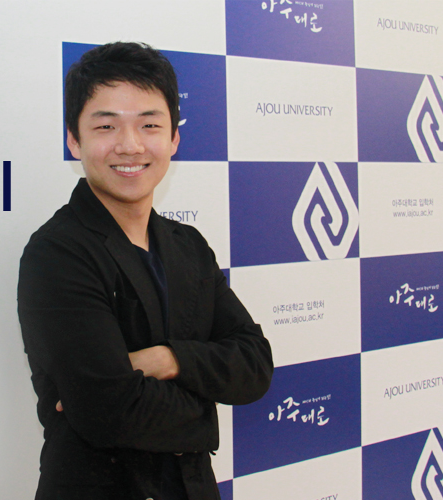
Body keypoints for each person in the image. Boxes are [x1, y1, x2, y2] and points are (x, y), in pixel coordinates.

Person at [17, 41, 273, 500]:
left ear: (174, 138)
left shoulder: (188, 245)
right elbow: (107, 411)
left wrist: (168, 359)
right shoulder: (57, 252)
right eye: (106, 126)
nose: (130, 145)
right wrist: (207, 408)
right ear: (74, 139)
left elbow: (254, 364)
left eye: (149, 124)